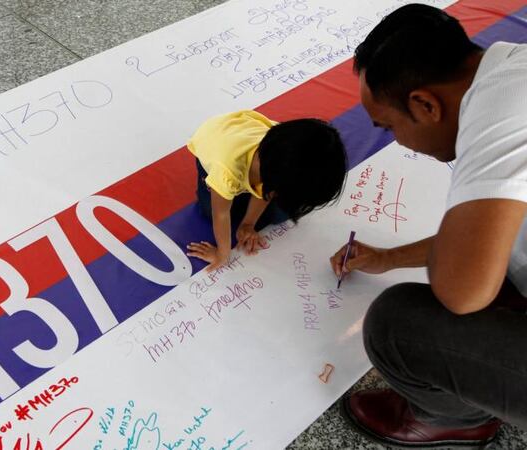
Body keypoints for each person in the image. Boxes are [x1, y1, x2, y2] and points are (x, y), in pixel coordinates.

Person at [330, 4, 527, 447]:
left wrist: (460, 219)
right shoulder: (512, 65)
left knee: (397, 326)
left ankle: (458, 419)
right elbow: (499, 231)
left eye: (388, 127)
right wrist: (386, 257)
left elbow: (462, 289)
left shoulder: (501, 120)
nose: (395, 141)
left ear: (424, 104)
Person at [185, 110, 347, 271]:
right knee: (211, 210)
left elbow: (269, 188)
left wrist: (248, 224)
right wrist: (222, 253)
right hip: (214, 141)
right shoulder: (226, 170)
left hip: (251, 139)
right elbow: (220, 214)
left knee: (280, 214)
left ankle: (250, 199)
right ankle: (209, 189)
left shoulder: (283, 156)